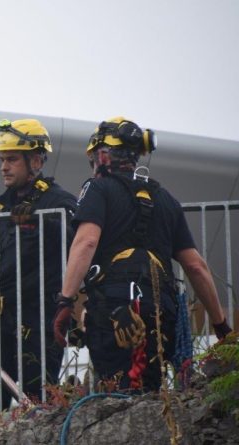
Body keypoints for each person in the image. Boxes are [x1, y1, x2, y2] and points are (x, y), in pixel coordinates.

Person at [53, 117, 233, 392]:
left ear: (102, 155)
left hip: (114, 311)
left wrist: (65, 301)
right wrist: (221, 326)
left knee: (115, 392)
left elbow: (86, 242)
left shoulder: (97, 189)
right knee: (149, 390)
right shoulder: (166, 199)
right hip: (162, 311)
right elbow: (196, 266)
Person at [0, 118, 77, 408]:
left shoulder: (59, 203)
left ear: (35, 161)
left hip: (40, 326)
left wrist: (40, 223)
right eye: (2, 160)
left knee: (39, 408)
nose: (4, 167)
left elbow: (77, 241)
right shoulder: (3, 210)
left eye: (12, 160)